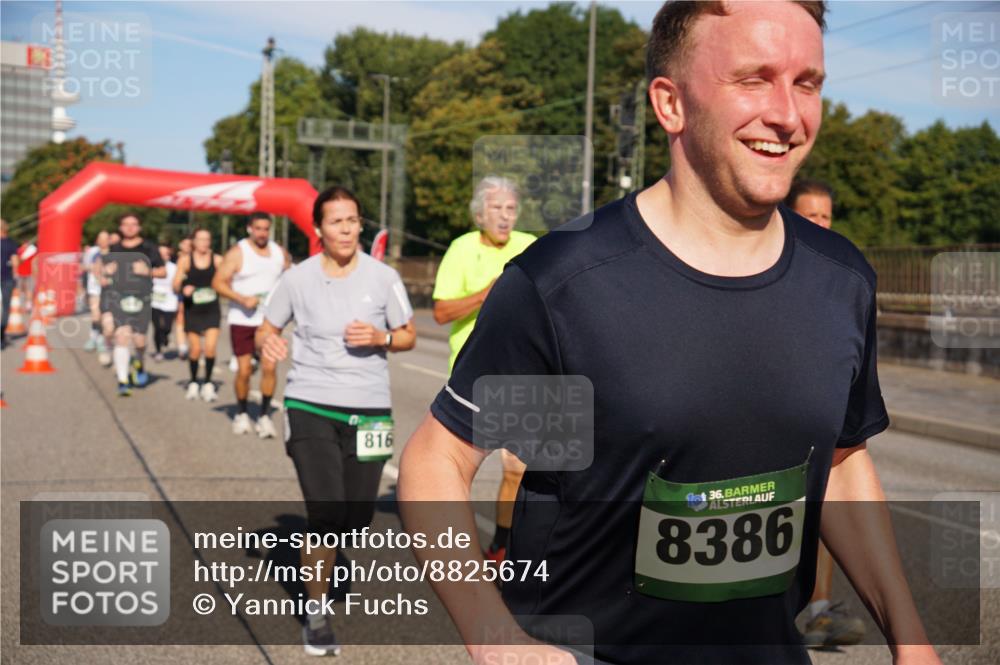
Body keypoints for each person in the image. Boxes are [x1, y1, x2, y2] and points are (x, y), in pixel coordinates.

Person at [399, 2, 940, 665]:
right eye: (754, 79)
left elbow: (842, 461)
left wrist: (912, 640)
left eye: (807, 83)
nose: (788, 115)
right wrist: (494, 637)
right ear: (670, 104)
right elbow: (437, 461)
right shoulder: (564, 281)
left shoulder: (842, 280)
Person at [256, 185, 416, 656]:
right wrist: (268, 342)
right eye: (336, 221)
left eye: (352, 220)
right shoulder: (297, 279)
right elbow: (267, 327)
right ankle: (316, 613)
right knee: (325, 511)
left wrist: (382, 338)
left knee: (356, 519)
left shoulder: (384, 278)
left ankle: (327, 552)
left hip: (370, 410)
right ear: (318, 229)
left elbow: (407, 335)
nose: (346, 229)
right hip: (311, 402)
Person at [432, 176, 536, 563]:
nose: (505, 217)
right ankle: (453, 542)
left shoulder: (530, 246)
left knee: (517, 468)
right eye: (497, 209)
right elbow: (441, 312)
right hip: (472, 376)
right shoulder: (461, 248)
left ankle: (500, 546)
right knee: (460, 469)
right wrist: (484, 295)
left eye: (511, 209)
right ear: (479, 215)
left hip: (521, 373)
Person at [788, 178, 865, 647]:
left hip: (817, 418)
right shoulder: (762, 262)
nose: (819, 223)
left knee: (825, 510)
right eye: (809, 214)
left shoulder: (839, 275)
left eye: (825, 216)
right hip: (769, 416)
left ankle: (817, 614)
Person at [212, 212, 290, 437]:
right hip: (243, 319)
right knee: (244, 371)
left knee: (269, 367)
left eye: (266, 229)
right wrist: (241, 298)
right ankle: (242, 412)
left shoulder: (279, 252)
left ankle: (264, 416)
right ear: (249, 229)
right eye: (258, 229)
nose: (262, 233)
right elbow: (218, 282)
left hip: (269, 321)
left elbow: (292, 277)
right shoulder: (238, 252)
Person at [98, 213, 166, 397]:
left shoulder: (149, 247)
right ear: (120, 227)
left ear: (139, 227)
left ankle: (140, 362)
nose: (129, 227)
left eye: (133, 224)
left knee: (139, 341)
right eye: (126, 224)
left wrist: (147, 271)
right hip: (119, 298)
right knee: (121, 337)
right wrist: (106, 272)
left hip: (142, 299)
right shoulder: (114, 248)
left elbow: (163, 272)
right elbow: (101, 273)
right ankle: (123, 381)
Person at [174, 227, 222, 401]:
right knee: (195, 350)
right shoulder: (185, 260)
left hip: (211, 309)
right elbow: (175, 285)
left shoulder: (217, 259)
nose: (204, 243)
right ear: (193, 241)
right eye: (201, 239)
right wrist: (183, 287)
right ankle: (194, 382)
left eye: (207, 239)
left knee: (210, 348)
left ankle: (208, 383)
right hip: (192, 309)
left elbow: (226, 281)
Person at [82, 230, 111, 354]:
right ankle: (93, 338)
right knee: (96, 315)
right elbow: (84, 266)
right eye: (100, 238)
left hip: (109, 289)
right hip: (94, 288)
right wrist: (94, 268)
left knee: (105, 317)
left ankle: (100, 339)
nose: (103, 241)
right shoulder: (92, 252)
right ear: (97, 240)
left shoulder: (115, 252)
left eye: (105, 238)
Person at [150, 241, 179, 361]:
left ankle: (165, 336)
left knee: (167, 327)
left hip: (170, 301)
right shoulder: (151, 266)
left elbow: (178, 283)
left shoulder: (174, 268)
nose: (163, 256)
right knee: (157, 327)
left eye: (165, 253)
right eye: (160, 254)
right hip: (154, 301)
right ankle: (158, 351)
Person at [1, 220, 19, 349]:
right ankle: (1, 337)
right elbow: (15, 262)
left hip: (6, 279)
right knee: (6, 308)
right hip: (7, 278)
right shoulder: (11, 243)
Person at [174, 237, 192, 360]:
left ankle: (192, 344)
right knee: (180, 317)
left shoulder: (197, 258)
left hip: (194, 292)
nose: (187, 246)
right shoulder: (175, 258)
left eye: (189, 244)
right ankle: (182, 346)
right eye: (184, 243)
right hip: (179, 292)